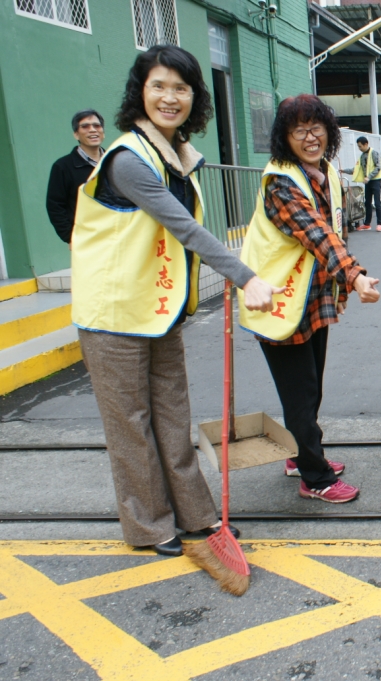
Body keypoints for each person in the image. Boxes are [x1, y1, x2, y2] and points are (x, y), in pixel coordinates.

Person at [71, 45, 281, 556]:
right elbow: (184, 228)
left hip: (157, 310)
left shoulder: (176, 156)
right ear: (139, 93)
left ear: (194, 97)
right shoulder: (127, 159)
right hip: (113, 313)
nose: (170, 97)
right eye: (158, 86)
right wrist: (245, 277)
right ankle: (149, 526)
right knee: (131, 427)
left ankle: (195, 513)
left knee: (171, 416)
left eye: (181, 88)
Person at [240, 94, 380, 504]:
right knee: (300, 394)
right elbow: (316, 232)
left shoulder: (323, 173)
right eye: (298, 130)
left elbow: (336, 227)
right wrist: (354, 275)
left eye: (316, 127)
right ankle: (314, 478)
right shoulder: (282, 181)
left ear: (329, 131)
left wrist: (344, 279)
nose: (309, 136)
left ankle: (301, 455)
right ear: (285, 137)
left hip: (312, 299)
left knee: (309, 388)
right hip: (279, 301)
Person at [47, 110, 106, 245]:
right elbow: (55, 206)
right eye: (85, 126)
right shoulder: (63, 167)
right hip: (86, 240)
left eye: (97, 126)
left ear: (103, 132)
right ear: (76, 134)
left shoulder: (115, 162)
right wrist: (71, 237)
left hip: (116, 236)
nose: (92, 130)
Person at [352, 136, 381, 232]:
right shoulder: (362, 156)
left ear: (366, 144)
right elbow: (357, 169)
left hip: (375, 181)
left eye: (360, 146)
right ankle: (367, 224)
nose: (359, 148)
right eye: (358, 146)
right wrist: (344, 171)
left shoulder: (374, 153)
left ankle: (379, 224)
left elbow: (378, 167)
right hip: (368, 182)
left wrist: (369, 177)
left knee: (377, 203)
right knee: (367, 203)